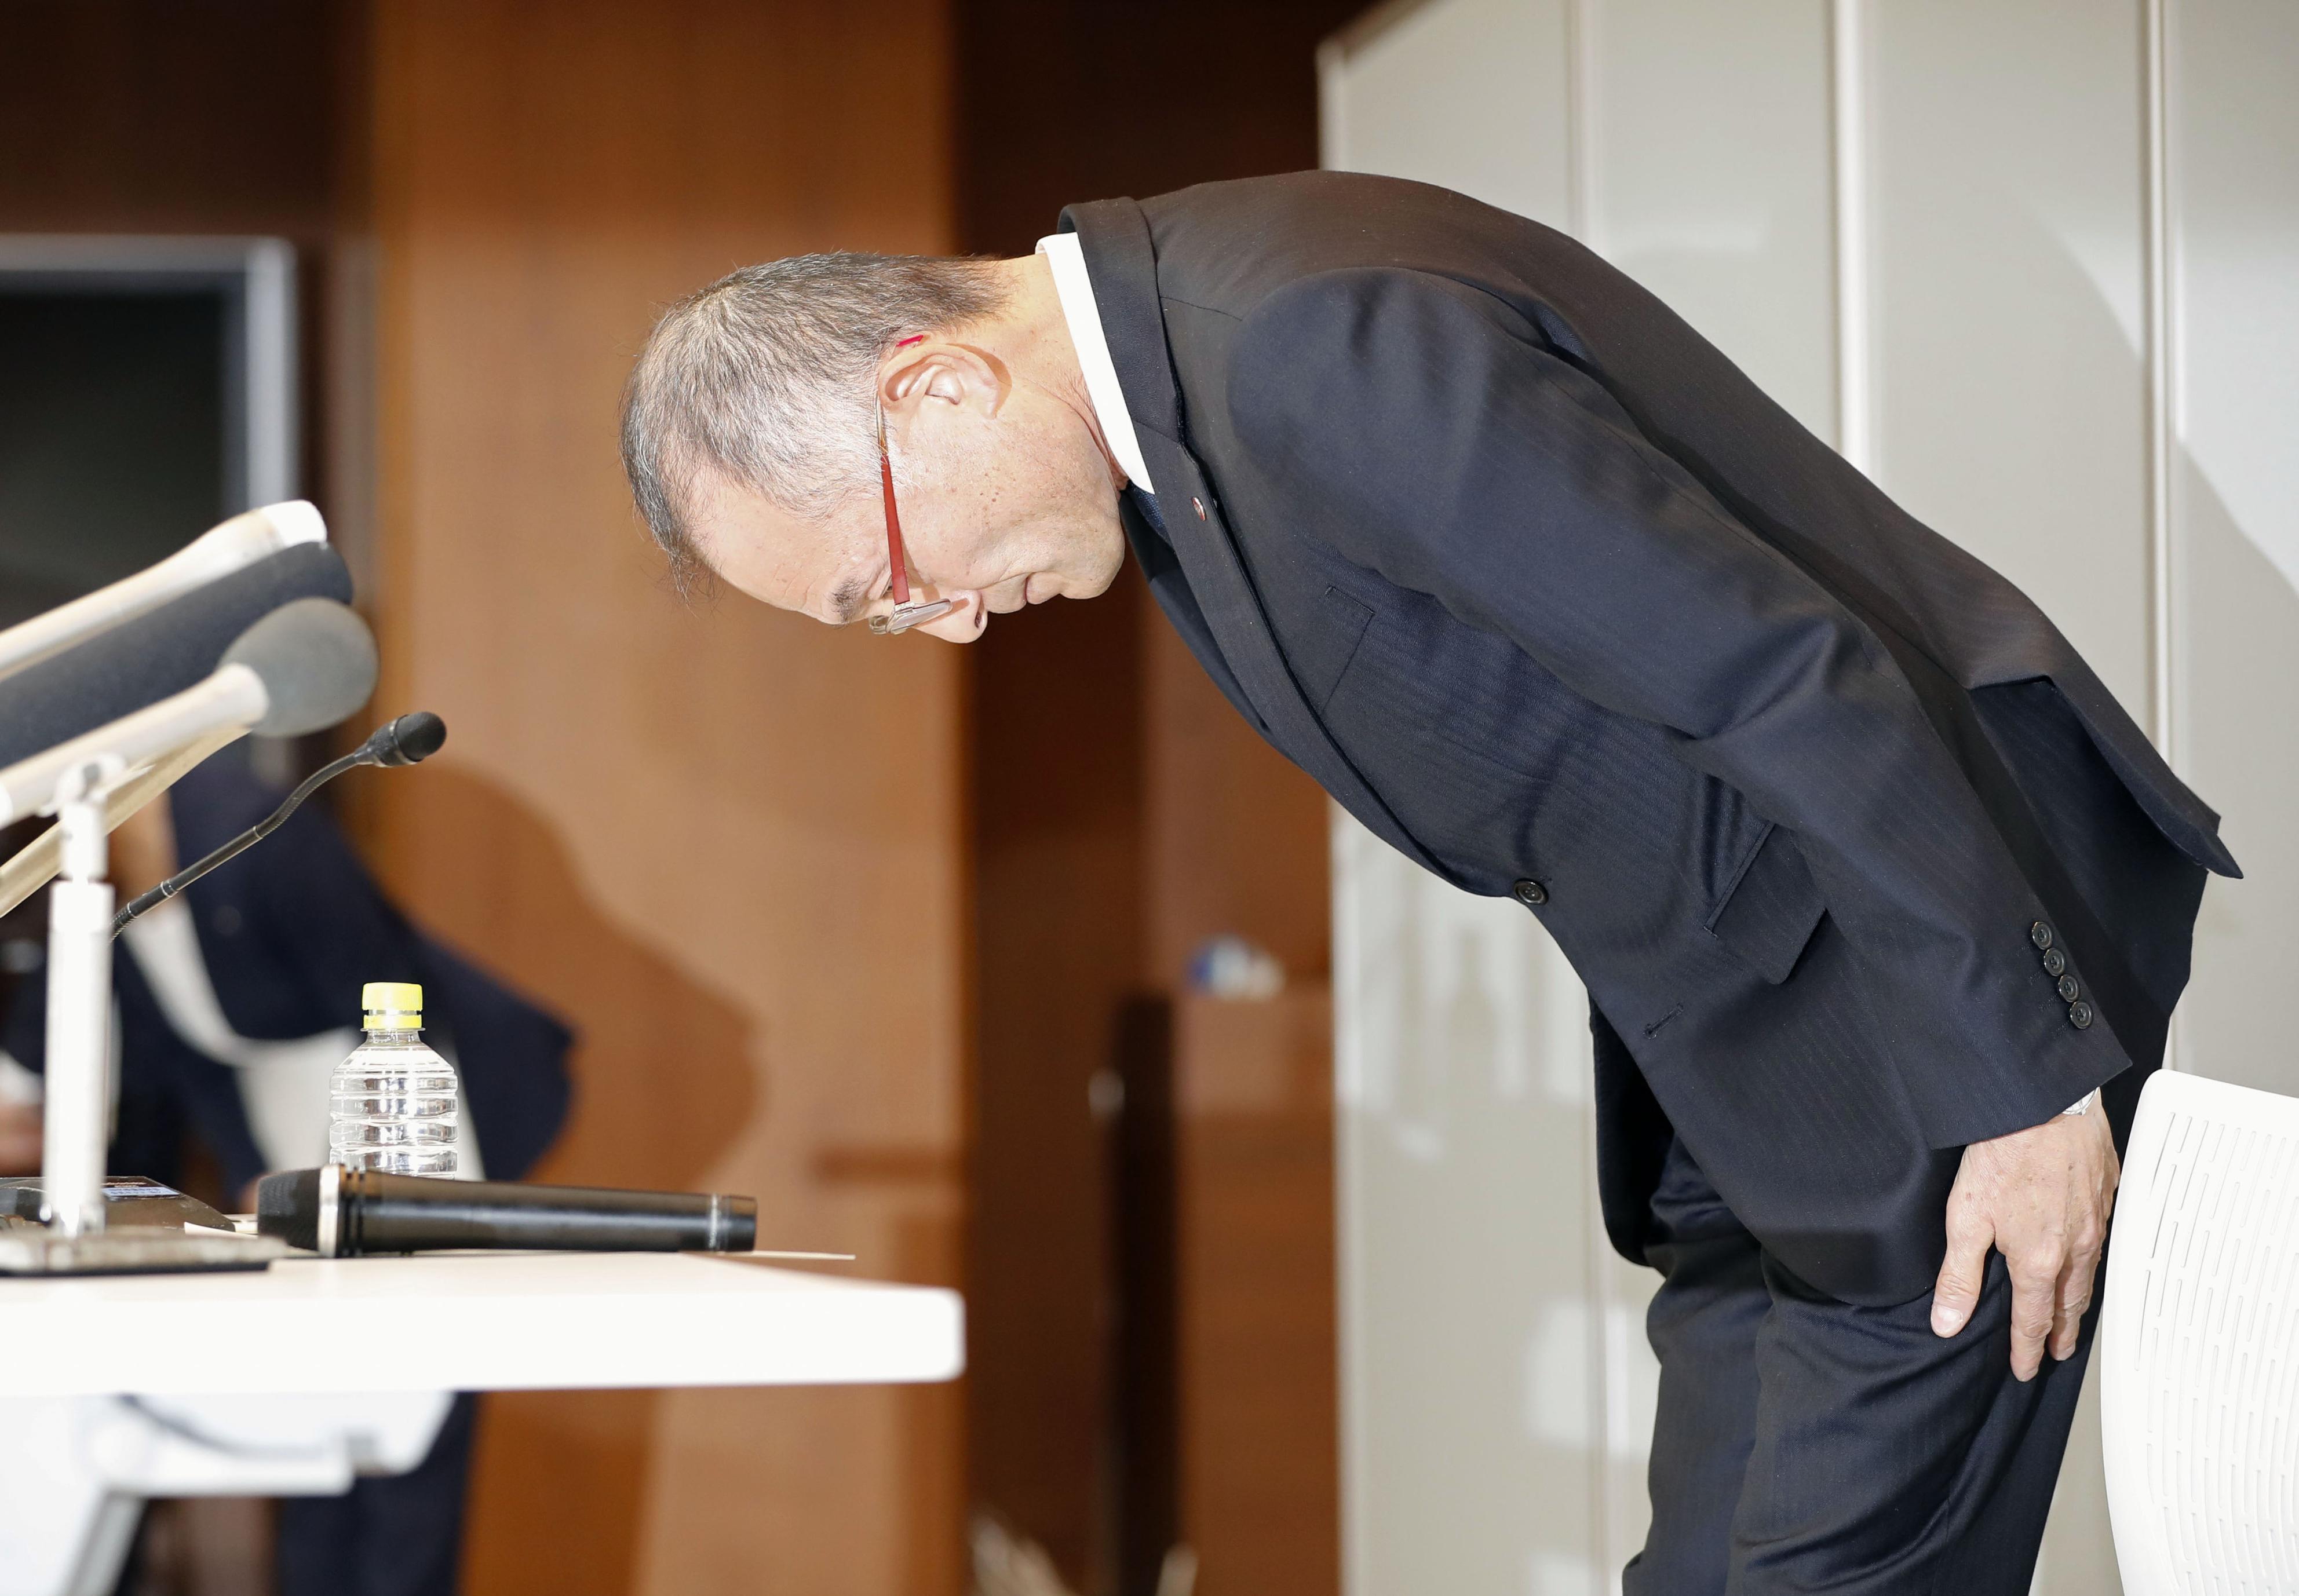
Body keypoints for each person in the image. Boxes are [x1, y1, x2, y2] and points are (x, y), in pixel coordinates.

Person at [614, 171, 2239, 1594]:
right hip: (1760, 1083)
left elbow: (1777, 671)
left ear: (936, 388)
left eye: (890, 585)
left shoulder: (1303, 341)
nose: (950, 623)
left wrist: (2026, 1089)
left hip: (1929, 1015)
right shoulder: (1176, 384)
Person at [0, 747, 572, 1596]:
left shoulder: (252, 827)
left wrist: (362, 1175)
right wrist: (261, 1173)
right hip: (291, 1139)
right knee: (319, 1412)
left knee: (409, 1417)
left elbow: (389, 1000)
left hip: (416, 1111)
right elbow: (153, 1065)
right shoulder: (100, 876)